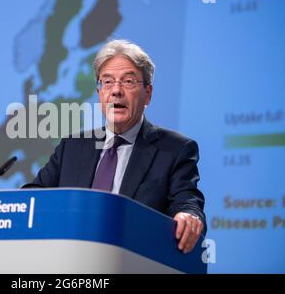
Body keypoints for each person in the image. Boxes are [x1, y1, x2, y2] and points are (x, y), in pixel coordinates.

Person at [22, 39, 206, 254]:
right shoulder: (72, 147)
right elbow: (33, 197)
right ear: (100, 93)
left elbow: (187, 202)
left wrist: (188, 216)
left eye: (128, 81)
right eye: (107, 82)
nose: (116, 91)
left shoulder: (175, 149)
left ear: (148, 93)